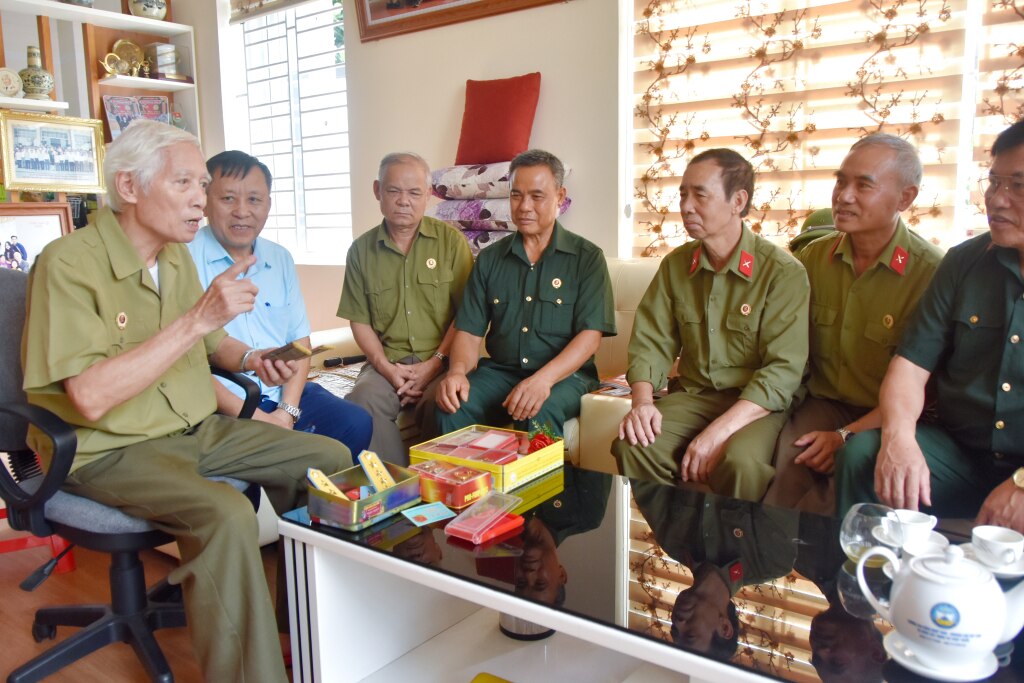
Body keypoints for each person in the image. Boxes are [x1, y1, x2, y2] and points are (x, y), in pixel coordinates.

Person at [21, 120, 351, 681]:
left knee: (328, 460)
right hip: (109, 448)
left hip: (191, 428)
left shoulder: (172, 258)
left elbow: (204, 340)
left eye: (202, 184)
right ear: (129, 187)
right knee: (223, 514)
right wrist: (200, 317)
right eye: (185, 184)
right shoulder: (67, 263)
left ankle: (305, 633)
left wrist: (250, 359)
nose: (202, 201)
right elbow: (91, 396)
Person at [835, 119, 1024, 532]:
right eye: (994, 183)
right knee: (863, 456)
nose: (997, 199)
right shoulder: (963, 263)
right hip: (961, 454)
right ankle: (859, 588)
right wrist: (899, 439)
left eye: (1018, 186)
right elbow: (910, 365)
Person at [612, 148, 809, 501]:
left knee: (741, 464)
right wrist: (642, 402)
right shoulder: (676, 266)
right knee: (635, 445)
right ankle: (686, 545)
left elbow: (783, 371)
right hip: (695, 395)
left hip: (755, 405)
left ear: (738, 201)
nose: (686, 206)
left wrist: (718, 432)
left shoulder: (782, 273)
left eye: (699, 194)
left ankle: (736, 555)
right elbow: (651, 341)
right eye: (683, 194)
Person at [763, 134, 942, 514]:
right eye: (841, 181)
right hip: (822, 403)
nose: (843, 196)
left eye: (864, 185)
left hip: (890, 415)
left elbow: (926, 387)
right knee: (785, 479)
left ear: (905, 198)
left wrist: (844, 437)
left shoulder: (932, 274)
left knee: (837, 503)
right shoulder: (811, 259)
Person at [190, 150, 372, 455]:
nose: (242, 211)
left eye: (254, 200)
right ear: (206, 199)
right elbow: (189, 365)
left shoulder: (279, 258)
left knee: (354, 422)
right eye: (228, 199)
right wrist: (260, 417)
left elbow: (299, 342)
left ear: (269, 205)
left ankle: (313, 503)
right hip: (221, 401)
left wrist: (287, 412)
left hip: (279, 394)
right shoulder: (184, 258)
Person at [435, 149, 616, 437]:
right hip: (501, 372)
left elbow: (590, 337)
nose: (524, 206)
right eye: (516, 195)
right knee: (451, 407)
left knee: (537, 411)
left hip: (564, 377)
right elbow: (469, 331)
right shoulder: (490, 259)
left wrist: (542, 380)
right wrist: (456, 372)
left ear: (559, 196)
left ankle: (545, 484)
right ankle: (466, 482)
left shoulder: (587, 257)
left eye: (536, 196)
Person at [338, 152, 473, 464]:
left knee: (448, 403)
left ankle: (440, 489)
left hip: (442, 361)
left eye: (414, 193)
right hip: (388, 364)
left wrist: (435, 364)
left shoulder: (450, 243)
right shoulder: (361, 250)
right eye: (393, 191)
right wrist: (387, 368)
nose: (403, 201)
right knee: (360, 403)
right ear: (377, 191)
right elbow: (359, 321)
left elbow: (467, 315)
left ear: (427, 195)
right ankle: (398, 492)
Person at [631, 480, 798, 660]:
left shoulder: (673, 542)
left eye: (675, 629)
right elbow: (785, 482)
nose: (678, 621)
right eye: (690, 634)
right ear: (724, 627)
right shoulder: (773, 560)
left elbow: (643, 477)